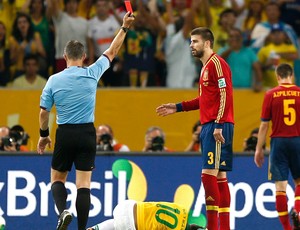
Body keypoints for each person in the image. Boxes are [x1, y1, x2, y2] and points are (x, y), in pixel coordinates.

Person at [37, 12, 135, 230]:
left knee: (57, 179)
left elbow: (44, 112)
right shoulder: (92, 73)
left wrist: (44, 136)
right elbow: (113, 50)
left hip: (65, 132)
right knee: (84, 185)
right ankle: (82, 228)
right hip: (87, 134)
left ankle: (63, 211)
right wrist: (124, 27)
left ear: (65, 56)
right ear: (83, 57)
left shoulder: (54, 80)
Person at [156, 27, 234, 230]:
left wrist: (218, 124)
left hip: (216, 125)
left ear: (207, 43)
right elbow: (205, 99)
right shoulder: (205, 67)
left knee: (208, 176)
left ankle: (213, 228)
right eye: (190, 41)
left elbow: (226, 95)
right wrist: (178, 107)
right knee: (219, 177)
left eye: (195, 41)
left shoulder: (217, 64)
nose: (191, 45)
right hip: (215, 124)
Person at [254, 63, 300, 230]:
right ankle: (298, 212)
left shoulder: (270, 94)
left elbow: (264, 125)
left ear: (278, 77)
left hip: (278, 143)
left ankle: (288, 228)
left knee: (280, 187)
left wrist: (259, 149)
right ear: (291, 76)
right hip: (298, 139)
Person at [86, 199, 207, 230]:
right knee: (125, 225)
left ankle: (95, 228)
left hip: (125, 206)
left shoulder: (181, 209)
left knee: (119, 223)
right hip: (130, 226)